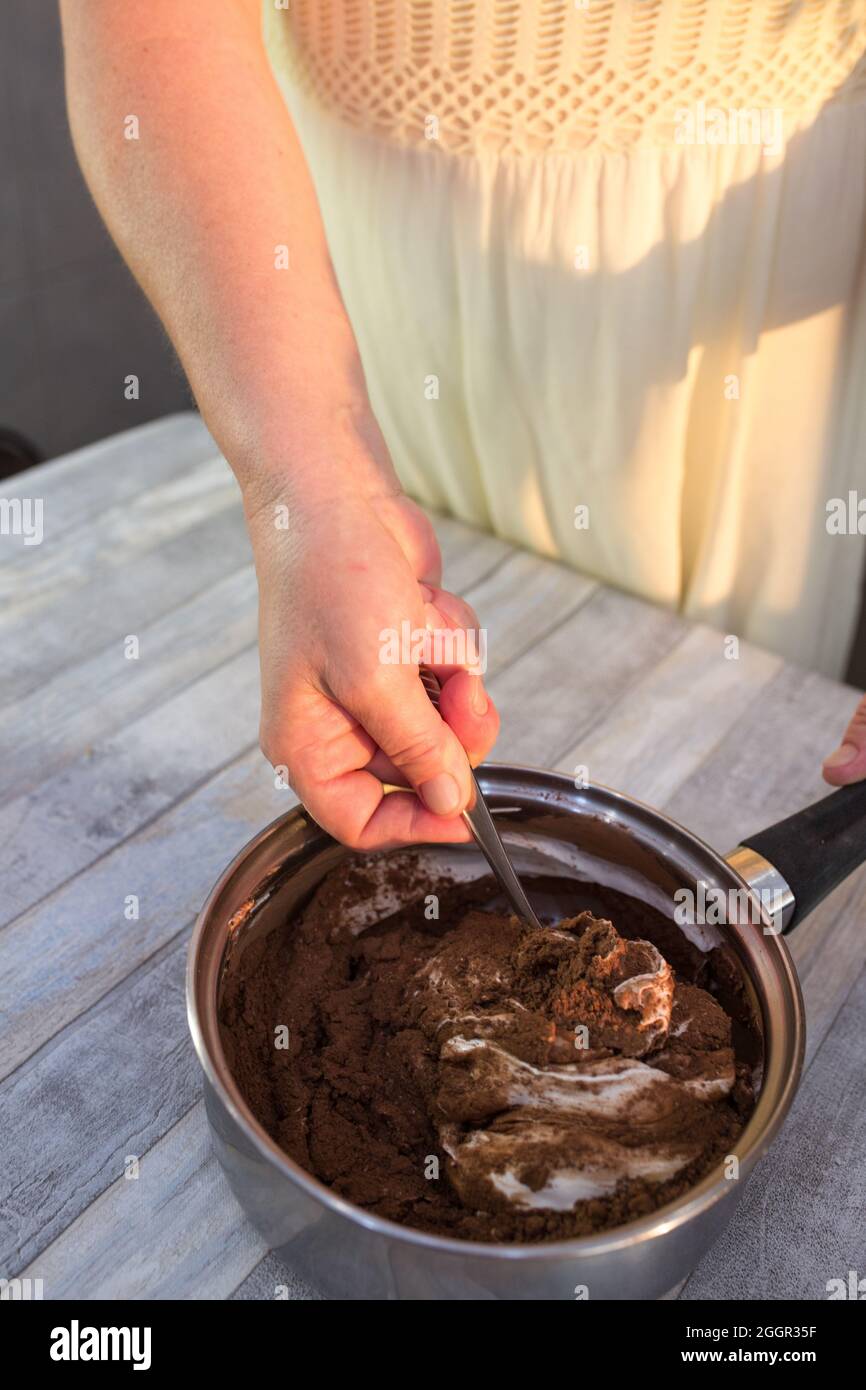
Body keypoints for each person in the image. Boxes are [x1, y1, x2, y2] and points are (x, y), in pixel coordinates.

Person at [59, 0, 866, 852]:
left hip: (763, 312)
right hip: (340, 316)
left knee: (733, 747)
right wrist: (323, 495)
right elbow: (156, 29)